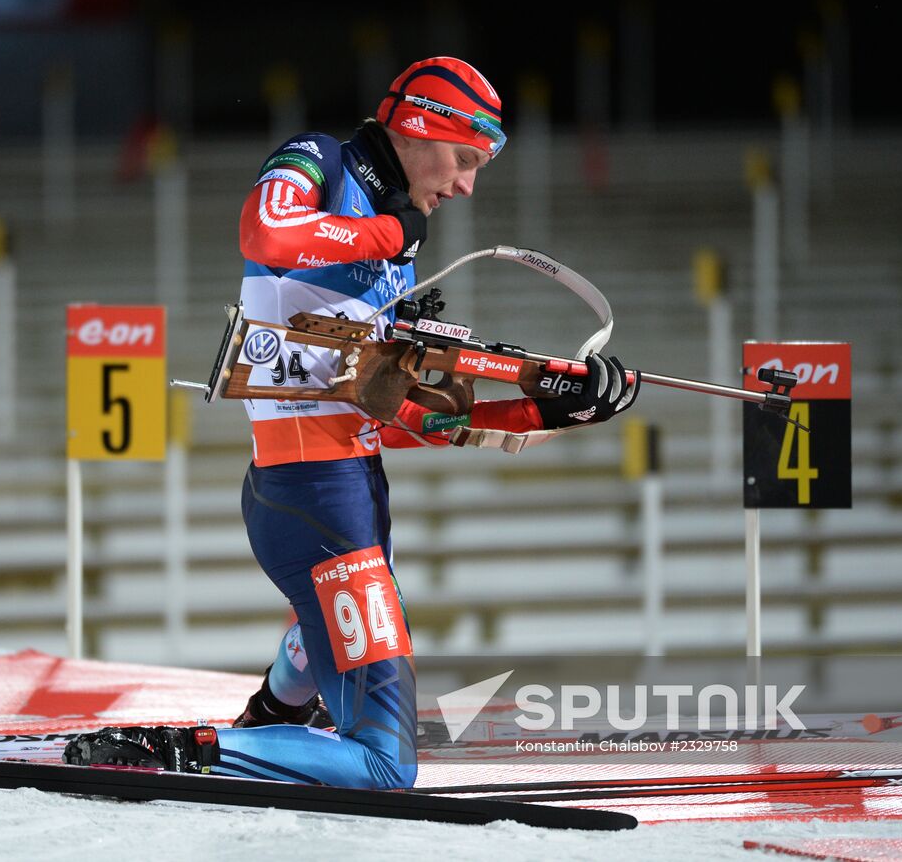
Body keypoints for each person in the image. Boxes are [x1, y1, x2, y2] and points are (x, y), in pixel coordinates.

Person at [64, 57, 639, 788]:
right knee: (383, 764)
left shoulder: (405, 234)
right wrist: (387, 236)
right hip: (313, 494)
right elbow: (264, 234)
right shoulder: (322, 162)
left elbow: (393, 413)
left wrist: (547, 407)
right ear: (419, 129)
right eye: (464, 159)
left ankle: (271, 713)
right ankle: (178, 754)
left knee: (331, 634)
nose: (466, 185)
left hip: (345, 488)